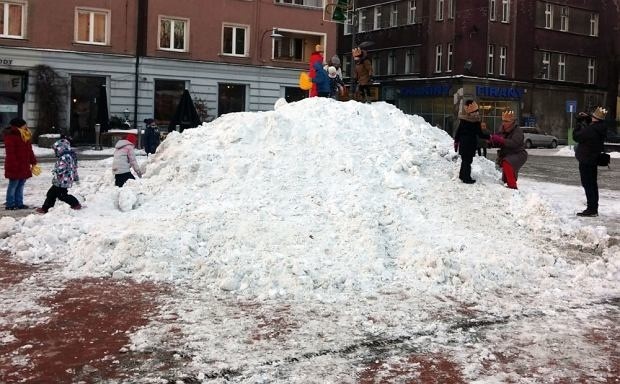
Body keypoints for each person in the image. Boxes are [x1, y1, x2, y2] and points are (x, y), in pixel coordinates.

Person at [572, 106, 607, 217]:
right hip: (593, 159)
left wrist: (578, 124)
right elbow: (591, 126)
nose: (591, 117)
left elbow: (576, 137)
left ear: (595, 119)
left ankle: (591, 209)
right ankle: (593, 208)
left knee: (588, 184)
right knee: (592, 184)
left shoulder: (591, 130)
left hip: (586, 160)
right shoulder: (600, 127)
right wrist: (587, 118)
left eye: (593, 116)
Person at [35, 139, 81, 214]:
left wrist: (55, 171)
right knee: (51, 194)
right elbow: (74, 168)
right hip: (61, 180)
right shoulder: (70, 156)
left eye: (56, 150)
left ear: (61, 149)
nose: (55, 152)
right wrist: (76, 177)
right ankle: (46, 208)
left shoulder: (65, 157)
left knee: (62, 195)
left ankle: (75, 204)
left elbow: (62, 167)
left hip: (62, 181)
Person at [3, 117, 38, 210]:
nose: (26, 126)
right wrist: (14, 165)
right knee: (13, 185)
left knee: (21, 184)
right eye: (24, 124)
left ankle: (19, 203)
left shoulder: (25, 135)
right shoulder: (11, 135)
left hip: (24, 165)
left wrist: (33, 161)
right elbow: (10, 153)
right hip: (15, 165)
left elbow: (29, 150)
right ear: (19, 126)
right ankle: (10, 204)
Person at [489, 110, 528, 190]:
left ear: (512, 122)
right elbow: (498, 142)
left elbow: (514, 143)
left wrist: (501, 140)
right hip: (508, 153)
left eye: (506, 121)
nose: (504, 123)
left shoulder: (518, 131)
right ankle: (509, 186)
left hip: (519, 154)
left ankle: (512, 186)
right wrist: (490, 141)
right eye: (503, 121)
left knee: (507, 163)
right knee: (505, 175)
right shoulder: (502, 129)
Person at [453, 100, 489, 184]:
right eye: (475, 111)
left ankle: (462, 175)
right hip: (470, 145)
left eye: (477, 111)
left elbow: (458, 132)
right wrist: (489, 137)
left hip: (463, 144)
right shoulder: (476, 122)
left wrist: (456, 142)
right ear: (471, 112)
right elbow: (480, 134)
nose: (476, 113)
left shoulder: (463, 121)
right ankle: (466, 178)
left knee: (464, 160)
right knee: (467, 161)